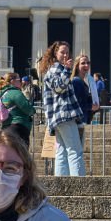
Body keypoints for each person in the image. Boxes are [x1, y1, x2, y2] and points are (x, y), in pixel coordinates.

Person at [40, 41, 84, 176]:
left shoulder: (54, 69)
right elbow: (59, 87)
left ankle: (61, 184)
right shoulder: (56, 69)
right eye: (62, 52)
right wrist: (67, 70)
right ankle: (79, 185)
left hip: (58, 117)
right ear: (55, 53)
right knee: (75, 150)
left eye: (67, 52)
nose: (65, 55)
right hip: (63, 114)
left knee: (62, 152)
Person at [71, 54, 100, 149]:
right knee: (77, 151)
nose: (86, 65)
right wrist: (91, 106)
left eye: (88, 63)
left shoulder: (83, 81)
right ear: (77, 65)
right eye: (83, 63)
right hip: (77, 121)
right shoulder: (77, 81)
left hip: (80, 121)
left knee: (77, 150)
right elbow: (77, 104)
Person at [0, 72, 35, 145]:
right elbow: (28, 109)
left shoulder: (2, 94)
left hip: (6, 126)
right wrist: (33, 110)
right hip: (19, 126)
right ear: (12, 81)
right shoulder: (16, 93)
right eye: (19, 80)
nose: (20, 82)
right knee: (21, 153)